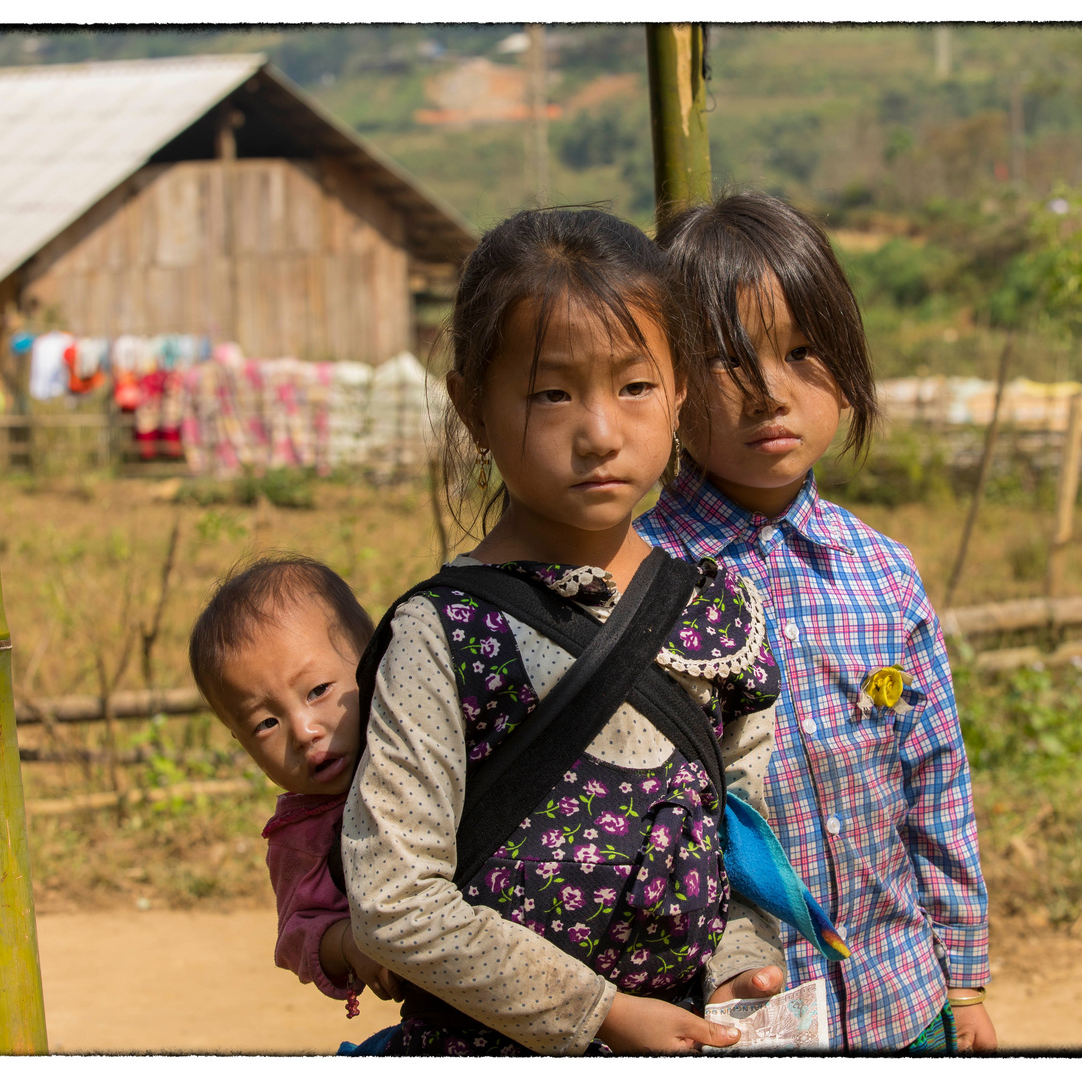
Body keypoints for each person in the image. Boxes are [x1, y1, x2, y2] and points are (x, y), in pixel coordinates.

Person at [336, 207, 787, 1056]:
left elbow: (744, 836)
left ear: (680, 388)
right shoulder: (445, 635)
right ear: (472, 406)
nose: (601, 433)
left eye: (635, 386)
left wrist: (738, 964)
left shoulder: (718, 613)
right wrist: (603, 1015)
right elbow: (394, 898)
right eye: (552, 393)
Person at [637, 192, 997, 1053]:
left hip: (904, 1003)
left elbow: (935, 781)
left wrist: (964, 978)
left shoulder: (883, 573)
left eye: (804, 351)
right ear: (671, 381)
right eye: (728, 361)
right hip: (739, 1024)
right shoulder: (635, 581)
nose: (771, 393)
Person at [187, 555, 402, 1017]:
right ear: (238, 740)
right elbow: (298, 935)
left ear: (373, 657)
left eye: (318, 690)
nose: (304, 731)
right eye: (266, 722)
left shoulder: (433, 743)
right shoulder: (303, 839)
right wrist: (350, 943)